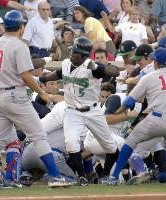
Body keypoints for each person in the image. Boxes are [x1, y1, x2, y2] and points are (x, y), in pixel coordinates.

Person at [0, 10, 71, 190]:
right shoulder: (19, 45)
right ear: (21, 26)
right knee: (39, 135)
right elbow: (25, 75)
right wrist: (41, 92)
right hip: (15, 95)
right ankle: (55, 176)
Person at [39, 36, 119, 186]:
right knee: (71, 142)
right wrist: (42, 80)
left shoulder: (92, 69)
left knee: (110, 146)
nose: (71, 53)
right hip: (72, 111)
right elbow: (58, 74)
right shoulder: (66, 63)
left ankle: (106, 175)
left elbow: (115, 72)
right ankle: (82, 177)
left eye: (75, 52)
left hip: (92, 111)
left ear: (83, 56)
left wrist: (96, 67)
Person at [106, 47, 166, 186]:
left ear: (156, 62)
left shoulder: (149, 76)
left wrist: (118, 112)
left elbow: (129, 101)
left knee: (130, 141)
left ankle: (114, 176)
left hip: (157, 120)